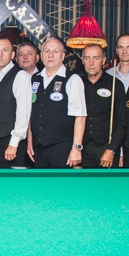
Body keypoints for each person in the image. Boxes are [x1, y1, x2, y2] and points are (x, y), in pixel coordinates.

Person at [27, 38, 87, 168]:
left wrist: (76, 148)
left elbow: (80, 116)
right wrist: (30, 141)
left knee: (62, 181)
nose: (50, 55)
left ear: (62, 56)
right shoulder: (35, 79)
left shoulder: (72, 79)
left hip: (62, 147)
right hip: (38, 148)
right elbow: (31, 113)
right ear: (41, 56)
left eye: (55, 51)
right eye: (47, 51)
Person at [0, 38, 31, 167]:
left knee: (11, 180)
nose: (0, 54)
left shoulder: (21, 76)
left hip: (10, 143)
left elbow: (23, 113)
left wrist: (14, 143)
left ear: (12, 55)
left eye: (4, 50)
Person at [80, 44, 126, 168]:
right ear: (82, 60)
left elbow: (122, 123)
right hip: (82, 149)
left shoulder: (115, 84)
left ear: (103, 60)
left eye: (96, 58)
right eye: (87, 58)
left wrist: (112, 149)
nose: (91, 63)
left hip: (106, 148)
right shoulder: (77, 83)